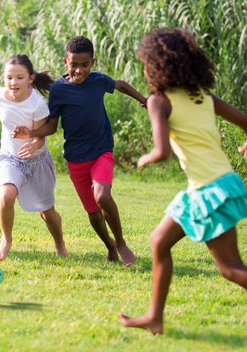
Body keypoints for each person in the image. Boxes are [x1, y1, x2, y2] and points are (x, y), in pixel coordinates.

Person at [118, 27, 247, 334]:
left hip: (210, 190)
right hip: (215, 185)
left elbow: (162, 152)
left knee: (230, 269)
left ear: (157, 65)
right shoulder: (201, 95)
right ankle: (155, 316)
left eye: (147, 64)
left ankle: (154, 316)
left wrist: (146, 157)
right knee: (159, 241)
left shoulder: (159, 101)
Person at [13, 36, 146, 266]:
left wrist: (144, 100)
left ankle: (121, 242)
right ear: (66, 62)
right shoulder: (58, 90)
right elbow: (52, 126)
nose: (79, 69)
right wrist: (30, 133)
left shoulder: (98, 81)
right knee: (93, 213)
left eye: (85, 65)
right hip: (75, 158)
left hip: (101, 150)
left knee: (102, 195)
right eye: (74, 64)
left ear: (92, 62)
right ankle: (110, 246)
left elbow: (121, 84)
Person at [0, 54, 69, 261]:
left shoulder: (37, 104)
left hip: (37, 162)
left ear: (30, 78)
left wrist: (33, 145)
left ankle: (59, 243)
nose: (13, 82)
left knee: (47, 213)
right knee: (7, 194)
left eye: (19, 77)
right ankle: (6, 240)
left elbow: (41, 136)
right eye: (9, 77)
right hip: (10, 158)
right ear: (4, 78)